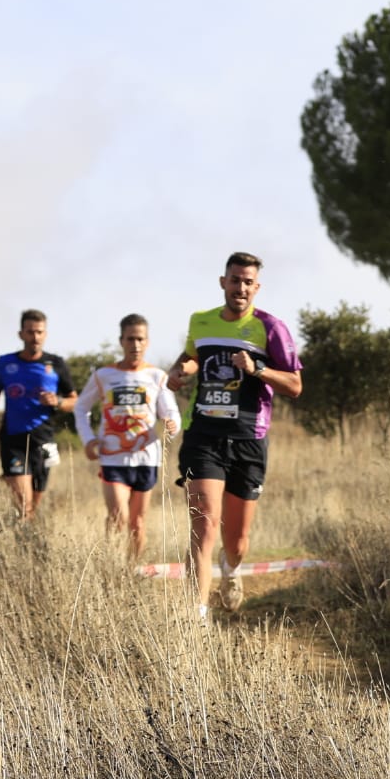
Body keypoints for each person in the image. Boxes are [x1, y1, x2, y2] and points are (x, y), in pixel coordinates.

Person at [165, 252, 302, 616]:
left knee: (237, 541)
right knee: (204, 522)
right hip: (203, 435)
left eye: (247, 282)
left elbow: (294, 385)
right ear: (223, 282)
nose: (240, 287)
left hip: (248, 437)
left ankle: (232, 568)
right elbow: (192, 355)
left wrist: (258, 369)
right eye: (234, 279)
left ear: (257, 288)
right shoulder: (202, 320)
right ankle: (196, 614)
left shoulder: (271, 328)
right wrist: (181, 370)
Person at [75, 313, 180, 560]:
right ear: (121, 341)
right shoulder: (103, 376)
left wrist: (171, 426)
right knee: (118, 518)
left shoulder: (157, 376)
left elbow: (171, 412)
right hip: (112, 458)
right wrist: (88, 439)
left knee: (138, 523)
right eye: (130, 339)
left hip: (146, 458)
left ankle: (133, 572)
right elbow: (81, 407)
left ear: (148, 342)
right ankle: (111, 569)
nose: (136, 345)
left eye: (140, 339)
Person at [0, 310, 76, 519]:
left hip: (43, 438)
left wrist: (57, 401)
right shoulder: (5, 363)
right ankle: (22, 538)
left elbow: (74, 401)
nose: (35, 337)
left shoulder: (56, 364)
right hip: (13, 438)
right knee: (24, 502)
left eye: (39, 332)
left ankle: (21, 531)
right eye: (30, 332)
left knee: (33, 504)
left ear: (45, 334)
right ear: (21, 334)